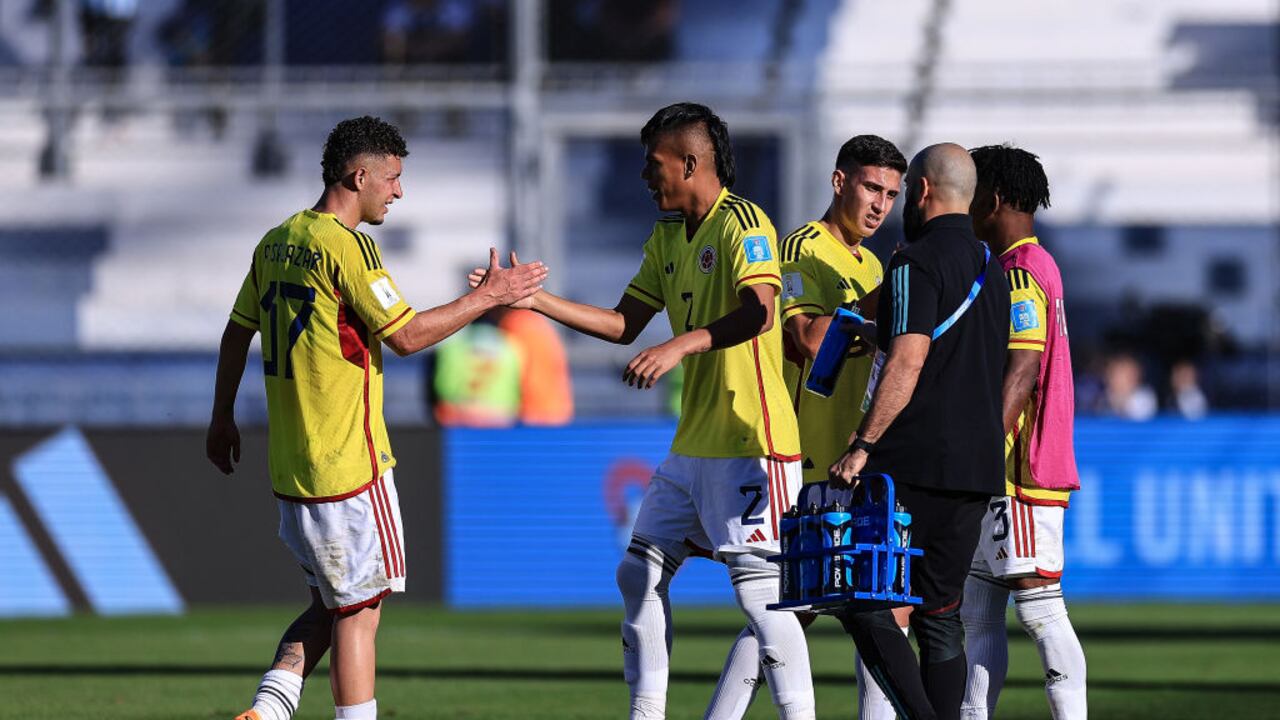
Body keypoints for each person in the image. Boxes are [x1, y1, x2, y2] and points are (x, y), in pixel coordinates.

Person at [471, 102, 815, 720]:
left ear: (689, 162)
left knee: (762, 600)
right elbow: (624, 324)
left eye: (653, 163)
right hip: (692, 449)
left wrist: (680, 343)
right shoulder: (665, 237)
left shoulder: (746, 223)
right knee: (638, 573)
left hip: (752, 442)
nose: (644, 176)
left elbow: (759, 310)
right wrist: (530, 297)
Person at [206, 116, 546, 720]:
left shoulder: (277, 239)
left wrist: (222, 416)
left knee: (331, 605)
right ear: (358, 175)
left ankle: (266, 710)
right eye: (392, 178)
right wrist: (490, 296)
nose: (398, 191)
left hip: (292, 466)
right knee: (361, 613)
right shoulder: (349, 246)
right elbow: (411, 335)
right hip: (349, 465)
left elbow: (237, 333)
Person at [705, 134, 908, 720]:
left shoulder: (869, 261)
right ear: (839, 181)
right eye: (872, 187)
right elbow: (805, 341)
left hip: (857, 458)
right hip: (809, 460)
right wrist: (883, 296)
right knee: (790, 610)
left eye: (892, 194)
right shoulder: (799, 250)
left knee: (880, 605)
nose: (880, 205)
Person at [828, 143, 1010, 720]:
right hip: (977, 467)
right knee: (940, 612)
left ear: (923, 191)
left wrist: (861, 446)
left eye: (904, 191)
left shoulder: (913, 262)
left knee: (864, 603)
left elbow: (907, 362)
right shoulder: (993, 265)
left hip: (913, 461)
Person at [960, 144, 1088, 720]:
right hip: (1003, 467)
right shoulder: (1026, 265)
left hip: (1019, 466)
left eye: (970, 191)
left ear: (995, 198)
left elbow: (1025, 365)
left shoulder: (1022, 271)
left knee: (1039, 609)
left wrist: (983, 441)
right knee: (978, 610)